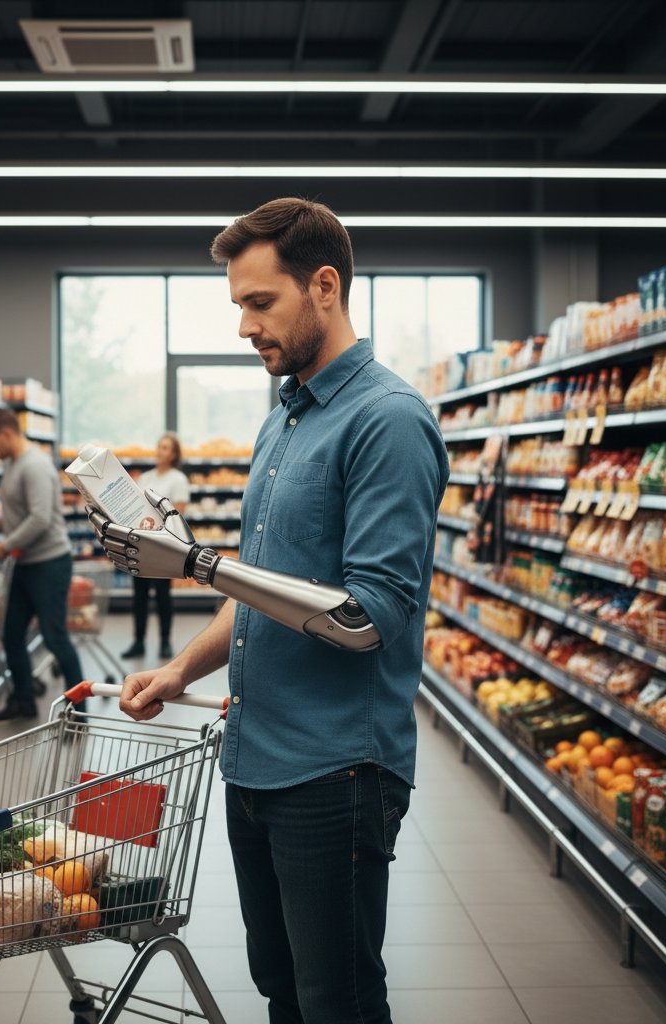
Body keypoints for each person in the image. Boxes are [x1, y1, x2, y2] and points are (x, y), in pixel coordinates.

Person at [88, 198, 448, 1024]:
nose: (245, 327)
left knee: (338, 1001)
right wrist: (181, 668)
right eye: (237, 306)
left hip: (336, 770)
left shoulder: (387, 421)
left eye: (260, 303)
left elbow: (368, 618)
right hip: (254, 760)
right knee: (280, 988)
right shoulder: (283, 417)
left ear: (325, 286)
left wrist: (196, 564)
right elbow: (263, 584)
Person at [0, 408, 85, 719]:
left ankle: (80, 710)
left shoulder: (35, 465)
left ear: (6, 433)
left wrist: (2, 548)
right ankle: (24, 701)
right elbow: (15, 519)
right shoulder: (13, 465)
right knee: (12, 635)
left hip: (49, 564)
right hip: (24, 565)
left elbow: (39, 519)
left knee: (55, 638)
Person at [121, 433, 190, 661]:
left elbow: (178, 514)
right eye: (159, 446)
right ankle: (138, 641)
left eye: (165, 448)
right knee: (139, 596)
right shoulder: (145, 478)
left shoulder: (178, 479)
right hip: (140, 542)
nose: (160, 451)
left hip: (163, 546)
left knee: (162, 596)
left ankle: (165, 642)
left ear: (173, 454)